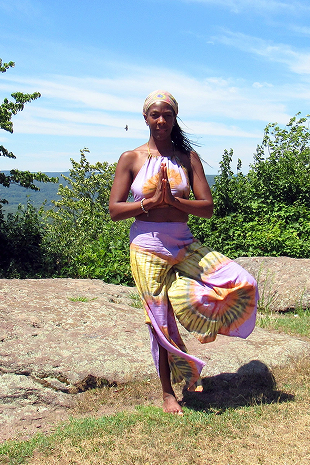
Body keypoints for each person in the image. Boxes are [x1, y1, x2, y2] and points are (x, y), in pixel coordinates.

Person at [109, 90, 258, 415]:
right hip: (147, 246)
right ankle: (168, 393)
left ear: (175, 118)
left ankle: (204, 326)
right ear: (145, 118)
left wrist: (175, 202)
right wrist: (150, 203)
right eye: (155, 115)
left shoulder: (187, 158)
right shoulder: (131, 158)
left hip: (183, 242)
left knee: (240, 280)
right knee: (159, 321)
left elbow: (207, 207)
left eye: (168, 115)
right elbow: (115, 210)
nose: (161, 121)